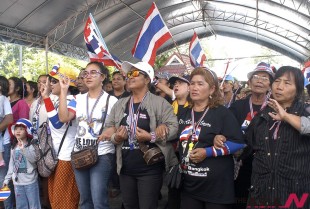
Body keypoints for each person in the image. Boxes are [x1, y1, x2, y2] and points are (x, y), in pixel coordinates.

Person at [102, 61, 179, 209]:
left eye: (135, 73)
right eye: (129, 74)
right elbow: (109, 127)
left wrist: (151, 137)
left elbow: (174, 128)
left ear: (147, 79)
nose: (130, 77)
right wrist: (116, 138)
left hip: (149, 169)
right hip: (125, 167)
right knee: (130, 206)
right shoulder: (120, 104)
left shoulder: (160, 103)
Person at [178, 67, 245, 209]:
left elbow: (238, 143)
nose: (194, 88)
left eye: (200, 84)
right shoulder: (184, 112)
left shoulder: (221, 113)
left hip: (216, 189)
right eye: (192, 83)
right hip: (189, 186)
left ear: (212, 89)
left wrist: (208, 152)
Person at [246, 66, 310, 208]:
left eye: (287, 83)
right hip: (261, 192)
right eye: (277, 81)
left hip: (294, 196)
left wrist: (286, 116)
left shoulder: (305, 111)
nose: (279, 87)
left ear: (298, 89)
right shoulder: (262, 116)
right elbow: (248, 145)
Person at [58, 61, 118, 209]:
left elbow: (120, 125)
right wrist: (64, 91)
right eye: (85, 73)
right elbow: (64, 118)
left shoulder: (112, 101)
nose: (88, 76)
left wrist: (111, 131)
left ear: (103, 77)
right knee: (85, 200)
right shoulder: (77, 99)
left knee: (98, 200)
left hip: (102, 153)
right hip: (80, 154)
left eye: (93, 73)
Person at [229, 62, 274, 209]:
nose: (260, 80)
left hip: (265, 164)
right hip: (240, 162)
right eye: (256, 77)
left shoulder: (274, 108)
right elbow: (228, 130)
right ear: (249, 82)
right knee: (239, 199)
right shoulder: (237, 106)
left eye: (265, 78)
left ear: (270, 85)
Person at [40, 65, 80, 209]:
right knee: (54, 197)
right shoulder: (58, 100)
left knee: (64, 199)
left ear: (67, 83)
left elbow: (58, 123)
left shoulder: (73, 100)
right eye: (50, 80)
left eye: (54, 81)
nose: (50, 83)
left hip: (66, 156)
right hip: (55, 155)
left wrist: (46, 98)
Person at [4, 119, 40, 209]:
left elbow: (33, 160)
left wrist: (24, 149)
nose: (18, 131)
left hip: (30, 182)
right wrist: (7, 179)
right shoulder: (14, 147)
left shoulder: (31, 146)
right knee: (21, 206)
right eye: (16, 129)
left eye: (21, 129)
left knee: (34, 206)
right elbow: (11, 165)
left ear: (27, 131)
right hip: (17, 183)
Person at [29, 74, 50, 209]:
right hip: (34, 141)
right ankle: (38, 202)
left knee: (47, 173)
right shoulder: (35, 102)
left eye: (44, 82)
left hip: (48, 143)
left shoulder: (53, 100)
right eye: (39, 82)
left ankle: (48, 203)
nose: (41, 84)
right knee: (36, 174)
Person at [0, 76, 13, 209]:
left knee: (3, 179)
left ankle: (7, 206)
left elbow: (9, 119)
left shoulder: (3, 99)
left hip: (3, 143)